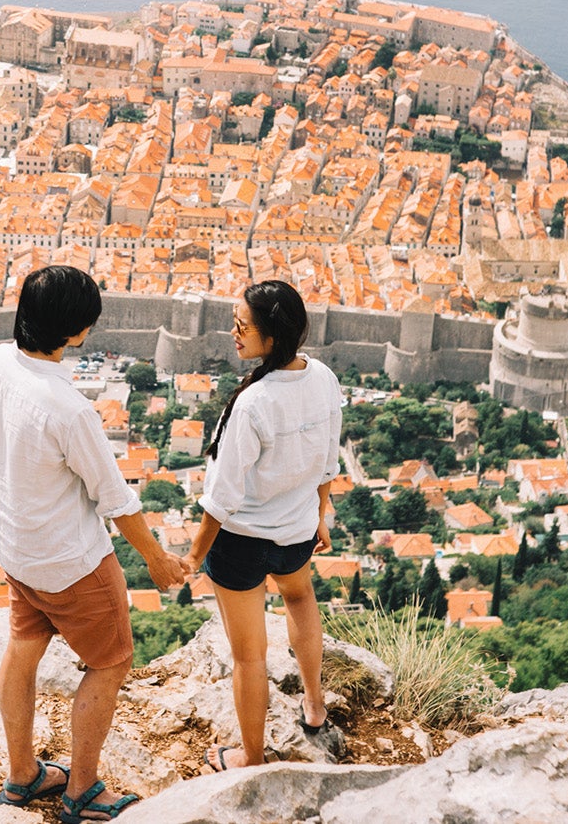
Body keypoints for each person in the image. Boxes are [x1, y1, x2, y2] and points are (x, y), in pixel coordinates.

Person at [0, 265, 188, 822]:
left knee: (23, 648)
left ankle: (22, 776)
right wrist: (158, 560)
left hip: (17, 549)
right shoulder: (68, 409)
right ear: (76, 331)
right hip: (72, 562)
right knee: (111, 663)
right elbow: (116, 501)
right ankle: (82, 791)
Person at [184, 279, 345, 772]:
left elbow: (223, 499)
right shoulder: (322, 378)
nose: (233, 334)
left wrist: (192, 558)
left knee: (250, 657)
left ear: (271, 336)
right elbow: (326, 463)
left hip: (240, 544)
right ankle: (315, 707)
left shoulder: (253, 404)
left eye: (242, 327)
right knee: (300, 599)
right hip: (296, 531)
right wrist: (320, 517)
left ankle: (250, 759)